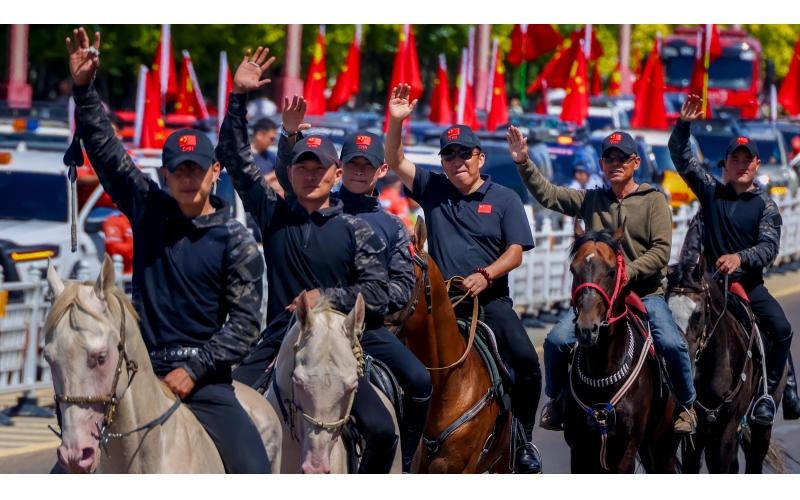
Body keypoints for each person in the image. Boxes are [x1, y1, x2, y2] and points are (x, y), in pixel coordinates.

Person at [66, 28, 270, 474]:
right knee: (65, 469)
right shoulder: (148, 210)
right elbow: (106, 151)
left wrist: (194, 371)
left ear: (216, 171)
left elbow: (245, 325)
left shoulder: (235, 239)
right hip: (135, 373)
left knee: (254, 470)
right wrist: (84, 90)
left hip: (208, 385)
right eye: (179, 170)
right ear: (165, 175)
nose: (188, 178)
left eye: (197, 169)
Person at [218, 47, 398, 474]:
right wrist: (238, 96)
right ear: (290, 172)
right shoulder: (272, 213)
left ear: (336, 175)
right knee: (221, 418)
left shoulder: (356, 229)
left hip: (338, 351)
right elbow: (233, 156)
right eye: (303, 167)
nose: (311, 174)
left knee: (382, 431)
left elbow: (379, 294)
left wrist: (324, 296)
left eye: (320, 168)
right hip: (275, 344)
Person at [385, 84, 543, 474]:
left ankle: (523, 441)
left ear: (479, 157)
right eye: (449, 154)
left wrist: (486, 276)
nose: (457, 160)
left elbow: (516, 252)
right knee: (386, 355)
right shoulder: (433, 189)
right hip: (440, 305)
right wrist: (396, 121)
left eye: (464, 153)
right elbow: (394, 158)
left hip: (489, 303)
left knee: (527, 361)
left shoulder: (504, 198)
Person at [272, 96, 431, 473]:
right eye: (353, 164)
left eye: (368, 165)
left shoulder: (393, 226)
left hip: (365, 328)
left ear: (380, 170)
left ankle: (406, 465)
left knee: (420, 380)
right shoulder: (316, 202)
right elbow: (288, 174)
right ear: (339, 169)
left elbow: (398, 290)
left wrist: (349, 304)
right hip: (303, 327)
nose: (360, 172)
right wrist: (289, 135)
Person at [512, 125, 698, 435]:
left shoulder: (653, 201)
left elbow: (661, 252)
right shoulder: (591, 199)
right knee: (556, 341)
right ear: (601, 165)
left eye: (622, 158)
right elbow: (548, 194)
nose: (616, 163)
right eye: (609, 158)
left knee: (671, 343)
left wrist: (628, 273)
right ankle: (556, 401)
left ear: (635, 162)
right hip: (598, 296)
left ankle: (686, 406)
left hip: (645, 292)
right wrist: (523, 162)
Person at [670, 94, 794, 426]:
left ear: (756, 165)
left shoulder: (765, 206)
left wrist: (740, 258)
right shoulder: (710, 192)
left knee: (782, 330)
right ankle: (670, 397)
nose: (741, 164)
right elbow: (681, 156)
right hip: (706, 286)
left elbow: (768, 248)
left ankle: (767, 397)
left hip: (746, 286)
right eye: (734, 159)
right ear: (725, 163)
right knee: (667, 324)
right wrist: (683, 124)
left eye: (747, 159)